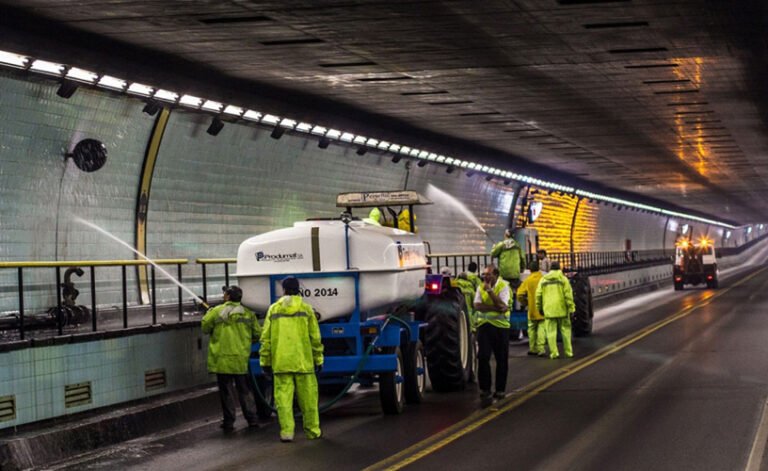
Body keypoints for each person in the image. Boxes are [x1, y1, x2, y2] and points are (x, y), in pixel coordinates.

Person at [260, 277, 324, 442]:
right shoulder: (307, 309)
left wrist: (265, 361)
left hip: (281, 362)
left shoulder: (274, 310)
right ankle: (313, 431)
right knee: (309, 399)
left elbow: (265, 339)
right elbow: (315, 338)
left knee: (283, 400)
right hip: (304, 362)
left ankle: (287, 433)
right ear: (298, 289)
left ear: (284, 290)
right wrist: (318, 359)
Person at [201, 285, 261, 431]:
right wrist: (245, 344)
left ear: (227, 296)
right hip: (240, 359)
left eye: (224, 293)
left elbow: (205, 328)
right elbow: (257, 335)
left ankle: (229, 422)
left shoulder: (216, 312)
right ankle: (252, 419)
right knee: (244, 390)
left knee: (226, 391)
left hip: (222, 360)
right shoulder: (248, 314)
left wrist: (207, 313)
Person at [473, 264, 511, 407]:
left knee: (501, 359)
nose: (485, 277)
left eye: (488, 274)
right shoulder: (480, 287)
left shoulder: (503, 286)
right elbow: (477, 305)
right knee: (483, 357)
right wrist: (494, 307)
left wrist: (490, 292)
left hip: (500, 328)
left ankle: (500, 389)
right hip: (484, 326)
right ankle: (485, 388)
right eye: (484, 274)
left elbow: (503, 307)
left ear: (496, 275)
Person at [535, 261, 575, 359]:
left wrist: (539, 308)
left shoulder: (543, 280)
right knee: (566, 331)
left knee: (551, 332)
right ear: (559, 269)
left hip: (548, 310)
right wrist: (571, 308)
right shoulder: (564, 279)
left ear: (550, 269)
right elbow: (568, 295)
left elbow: (538, 295)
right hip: (562, 309)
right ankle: (568, 352)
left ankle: (554, 353)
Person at [516, 261, 545, 357]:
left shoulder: (527, 281)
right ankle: (541, 349)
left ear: (530, 269)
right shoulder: (543, 279)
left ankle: (533, 349)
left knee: (532, 329)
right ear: (538, 268)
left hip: (532, 309)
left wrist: (525, 303)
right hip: (543, 309)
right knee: (541, 328)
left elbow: (519, 294)